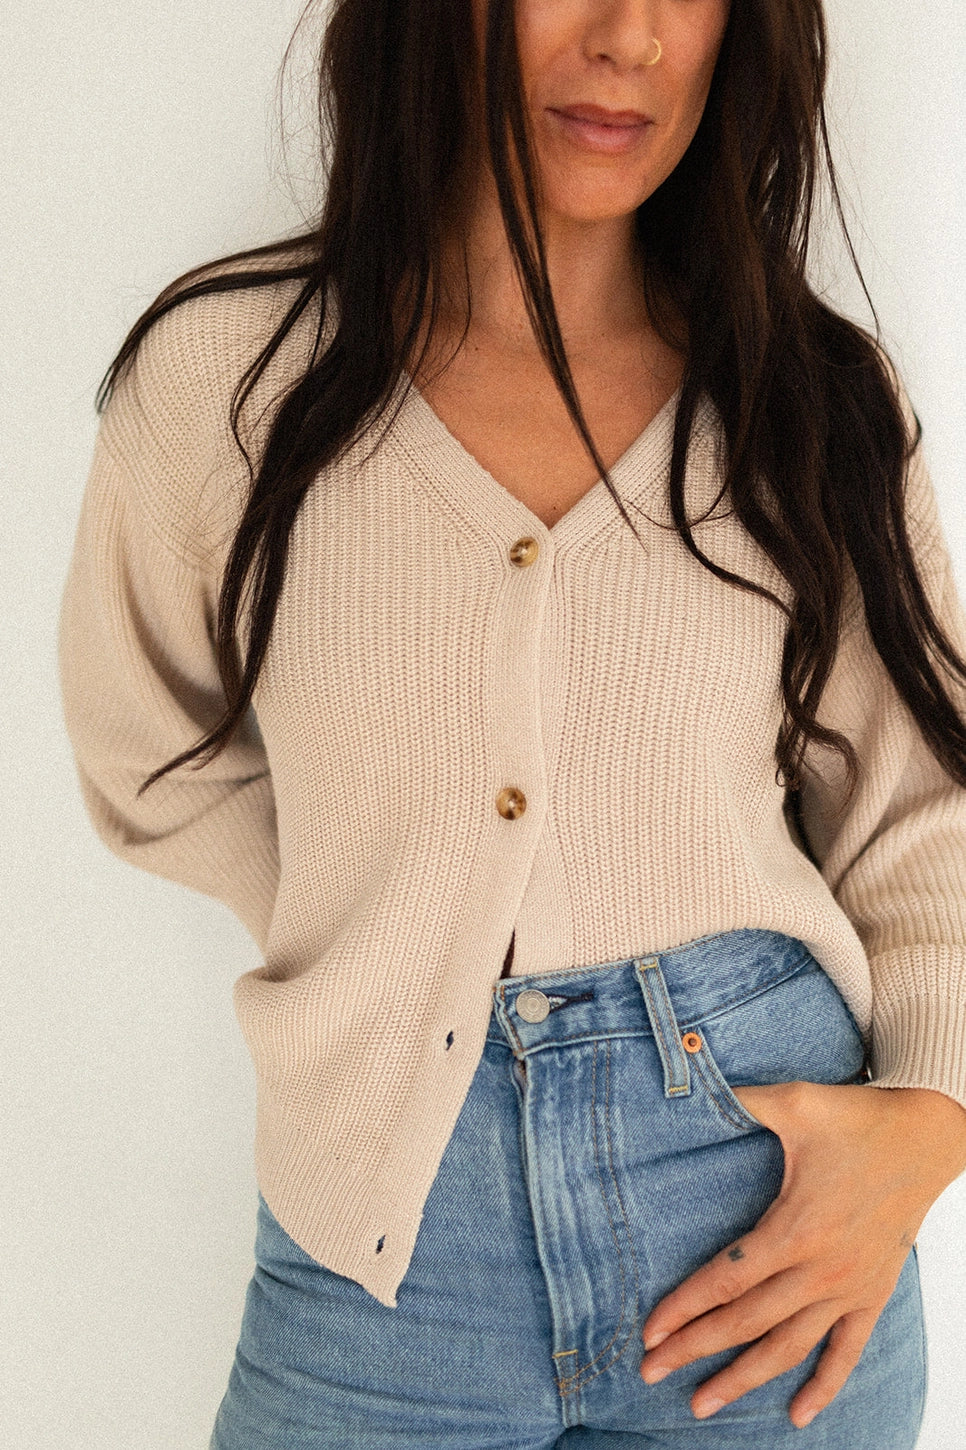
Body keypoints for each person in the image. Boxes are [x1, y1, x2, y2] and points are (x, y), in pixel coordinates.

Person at [59, 1, 966, 1446]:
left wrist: (928, 1124)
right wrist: (379, 918)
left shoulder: (810, 403)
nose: (630, 39)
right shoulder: (229, 379)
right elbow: (149, 752)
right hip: (382, 1245)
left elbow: (927, 817)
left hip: (771, 1219)